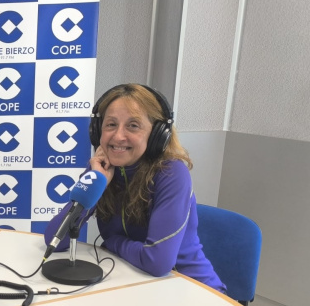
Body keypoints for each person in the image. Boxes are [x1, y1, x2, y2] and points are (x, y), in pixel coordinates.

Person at [43, 84, 224, 291]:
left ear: (157, 135)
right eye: (111, 124)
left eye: (133, 126)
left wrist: (114, 242)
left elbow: (157, 262)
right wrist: (95, 181)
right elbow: (55, 240)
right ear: (97, 131)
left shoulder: (172, 173)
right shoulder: (102, 169)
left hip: (191, 288)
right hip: (133, 283)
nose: (118, 136)